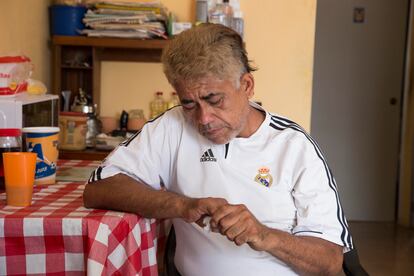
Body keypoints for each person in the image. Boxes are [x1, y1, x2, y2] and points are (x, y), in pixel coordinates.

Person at [84, 23, 353, 276]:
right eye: (189, 103)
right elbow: (99, 188)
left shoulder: (294, 146)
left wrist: (263, 235)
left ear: (246, 86)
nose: (204, 119)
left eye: (215, 100)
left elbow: (330, 261)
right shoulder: (172, 127)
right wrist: (182, 205)